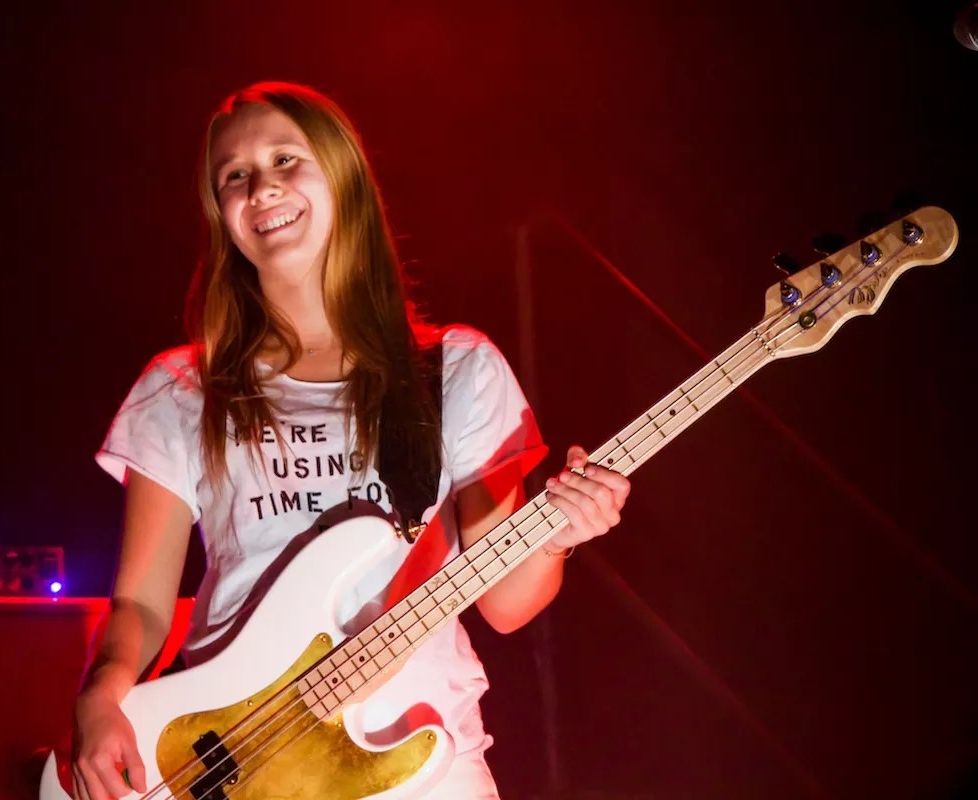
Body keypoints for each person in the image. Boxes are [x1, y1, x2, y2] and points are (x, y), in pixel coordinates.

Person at [70, 81, 631, 800]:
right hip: (239, 759)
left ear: (343, 177)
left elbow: (505, 603)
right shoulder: (181, 388)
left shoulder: (452, 370)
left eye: (284, 159)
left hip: (424, 759)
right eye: (233, 176)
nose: (260, 187)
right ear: (221, 215)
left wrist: (558, 533)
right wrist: (101, 696)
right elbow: (142, 607)